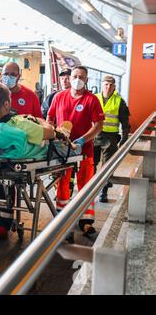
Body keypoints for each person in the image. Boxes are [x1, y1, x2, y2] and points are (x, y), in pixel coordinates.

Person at [0, 83, 55, 238]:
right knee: (7, 183)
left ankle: (2, 222)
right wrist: (41, 121)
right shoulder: (19, 124)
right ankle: (4, 223)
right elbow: (50, 134)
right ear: (7, 104)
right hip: (12, 166)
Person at [47, 66, 105, 235]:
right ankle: (62, 217)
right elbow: (50, 118)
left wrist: (83, 140)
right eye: (74, 76)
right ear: (70, 77)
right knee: (63, 183)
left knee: (86, 184)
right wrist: (52, 131)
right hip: (62, 150)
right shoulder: (59, 97)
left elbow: (99, 125)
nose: (77, 79)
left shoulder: (91, 100)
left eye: (81, 76)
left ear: (86, 80)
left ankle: (86, 221)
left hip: (84, 149)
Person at [94, 75, 131, 203]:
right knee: (90, 165)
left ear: (114, 86)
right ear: (102, 85)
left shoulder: (119, 101)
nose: (108, 87)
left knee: (107, 166)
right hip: (94, 135)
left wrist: (125, 136)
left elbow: (125, 121)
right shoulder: (94, 98)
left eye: (111, 85)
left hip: (110, 138)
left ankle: (103, 192)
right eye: (106, 84)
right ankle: (90, 190)